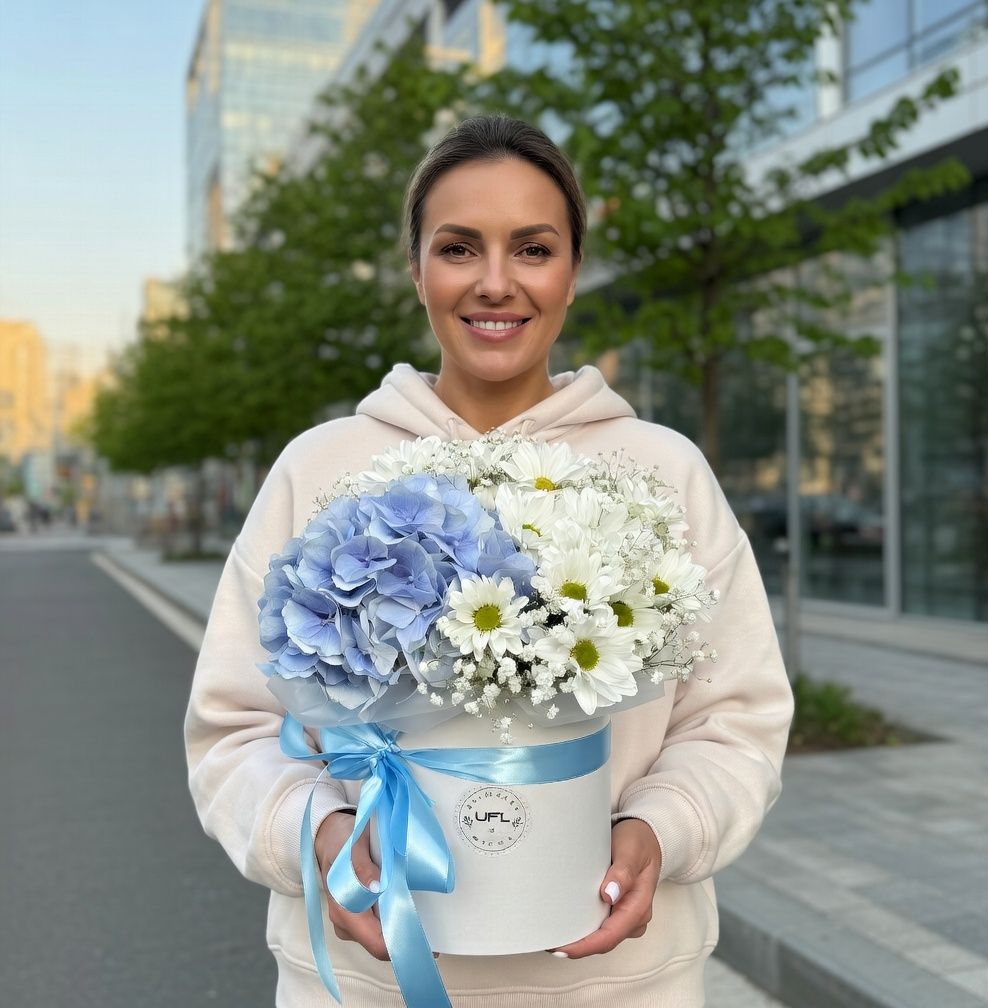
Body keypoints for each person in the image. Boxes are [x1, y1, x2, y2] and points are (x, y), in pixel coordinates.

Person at [185, 115, 793, 1007]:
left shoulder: (663, 471)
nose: (496, 282)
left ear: (573, 272)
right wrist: (319, 836)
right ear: (416, 269)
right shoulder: (319, 468)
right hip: (370, 983)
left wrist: (664, 828)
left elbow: (736, 718)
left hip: (616, 986)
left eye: (534, 249)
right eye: (459, 248)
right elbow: (234, 727)